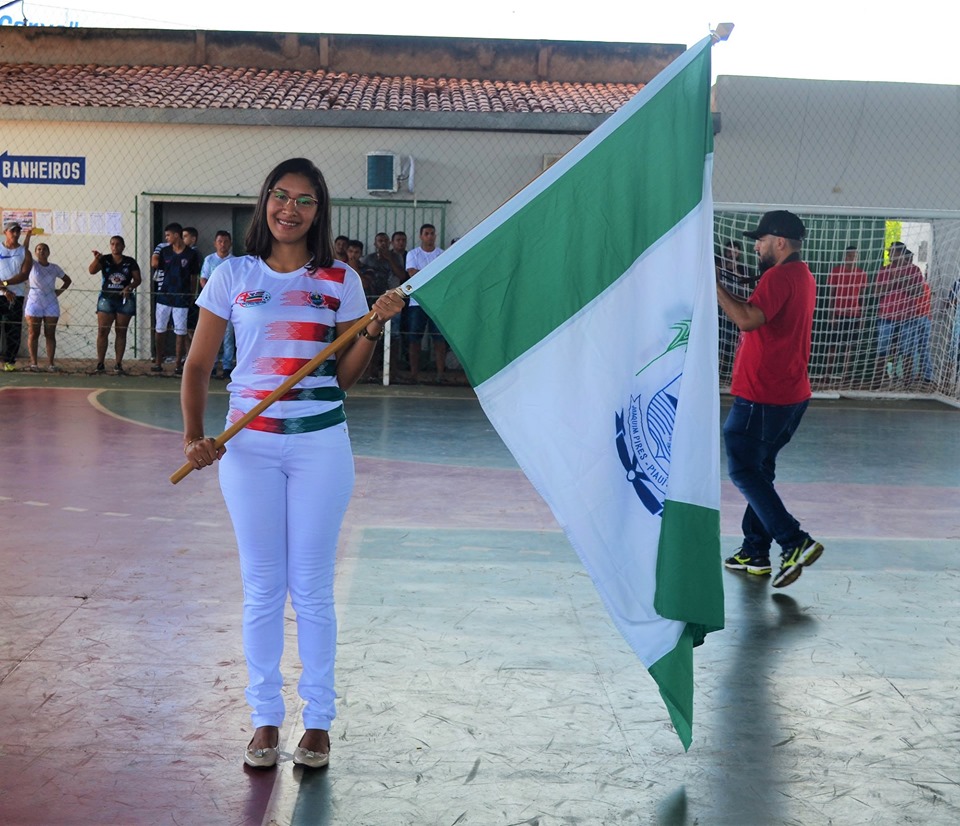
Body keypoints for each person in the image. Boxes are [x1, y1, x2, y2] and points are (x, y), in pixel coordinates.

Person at [180, 158, 405, 770]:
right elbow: (198, 365)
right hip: (246, 448)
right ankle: (263, 719)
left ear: (318, 210)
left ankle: (319, 723)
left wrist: (371, 330)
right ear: (264, 204)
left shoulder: (341, 280)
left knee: (310, 588)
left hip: (319, 446)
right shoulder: (233, 274)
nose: (290, 209)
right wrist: (194, 437)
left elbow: (346, 378)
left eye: (304, 200)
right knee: (261, 586)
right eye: (280, 196)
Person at [716, 210, 823, 588]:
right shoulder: (802, 274)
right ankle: (755, 550)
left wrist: (713, 286)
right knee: (760, 471)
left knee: (744, 469)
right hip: (790, 393)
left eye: (760, 240)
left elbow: (748, 319)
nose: (756, 246)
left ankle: (794, 541)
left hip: (763, 394)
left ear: (779, 242)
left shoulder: (780, 276)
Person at [152, 222, 201, 375]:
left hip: (182, 297)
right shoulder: (165, 252)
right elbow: (158, 269)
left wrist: (191, 295)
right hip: (164, 296)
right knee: (160, 328)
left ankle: (178, 364)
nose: (166, 238)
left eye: (168, 235)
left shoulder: (191, 254)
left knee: (180, 331)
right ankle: (158, 361)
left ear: (176, 235)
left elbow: (194, 277)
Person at [874, 242, 924, 387]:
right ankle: (877, 382)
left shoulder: (914, 270)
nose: (889, 254)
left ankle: (908, 382)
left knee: (908, 350)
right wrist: (893, 281)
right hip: (886, 316)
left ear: (900, 254)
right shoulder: (884, 270)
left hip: (908, 316)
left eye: (892, 252)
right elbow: (877, 293)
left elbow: (919, 292)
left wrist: (903, 281)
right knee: (882, 349)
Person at [90, 236, 142, 374]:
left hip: (124, 300)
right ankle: (100, 363)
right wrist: (97, 259)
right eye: (112, 244)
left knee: (121, 331)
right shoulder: (105, 259)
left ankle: (118, 364)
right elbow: (91, 271)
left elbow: (137, 279)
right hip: (106, 299)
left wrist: (129, 287)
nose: (115, 247)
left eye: (118, 244)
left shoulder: (130, 262)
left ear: (123, 246)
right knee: (102, 331)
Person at [404, 223, 446, 383]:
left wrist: (425, 276)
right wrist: (433, 275)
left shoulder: (442, 254)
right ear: (421, 236)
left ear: (435, 236)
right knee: (414, 339)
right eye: (426, 233)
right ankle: (414, 375)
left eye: (432, 233)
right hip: (417, 302)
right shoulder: (413, 254)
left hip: (437, 303)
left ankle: (440, 374)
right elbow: (412, 274)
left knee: (439, 339)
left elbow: (443, 276)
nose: (429, 236)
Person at [823, 245, 868, 383]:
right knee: (833, 345)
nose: (852, 258)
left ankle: (845, 376)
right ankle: (827, 374)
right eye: (849, 256)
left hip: (854, 314)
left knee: (850, 346)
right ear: (845, 257)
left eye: (854, 256)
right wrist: (831, 315)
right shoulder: (836, 271)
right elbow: (831, 295)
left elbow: (862, 298)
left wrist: (862, 316)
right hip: (838, 313)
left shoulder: (861, 274)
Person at [24, 242, 71, 372]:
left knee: (50, 334)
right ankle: (34, 363)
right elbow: (24, 250)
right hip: (34, 302)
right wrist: (28, 236)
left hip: (51, 302)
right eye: (39, 249)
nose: (42, 251)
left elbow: (67, 280)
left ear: (48, 252)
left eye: (44, 249)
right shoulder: (32, 264)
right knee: (34, 333)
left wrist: (58, 292)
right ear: (35, 252)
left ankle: (51, 363)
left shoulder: (54, 268)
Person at [200, 230, 236, 379]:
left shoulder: (234, 262)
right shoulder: (209, 260)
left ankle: (227, 366)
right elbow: (203, 279)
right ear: (215, 243)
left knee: (228, 336)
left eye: (226, 241)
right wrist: (212, 296)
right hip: (213, 305)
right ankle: (212, 365)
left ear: (230, 243)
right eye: (220, 241)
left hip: (229, 304)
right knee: (212, 336)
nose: (223, 244)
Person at [0, 221, 33, 371]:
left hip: (16, 296)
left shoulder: (25, 252)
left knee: (13, 329)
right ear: (5, 232)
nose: (15, 234)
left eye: (18, 231)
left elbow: (24, 274)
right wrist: (4, 290)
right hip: (2, 294)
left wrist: (6, 284)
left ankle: (9, 362)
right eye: (12, 231)